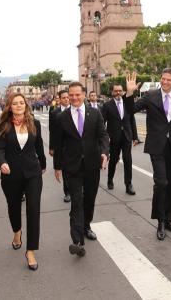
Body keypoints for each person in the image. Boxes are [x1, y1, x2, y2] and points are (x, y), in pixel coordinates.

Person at [124, 70, 171, 240]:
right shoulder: (151, 96)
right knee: (161, 182)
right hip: (156, 146)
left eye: (168, 80)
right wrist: (129, 93)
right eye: (163, 79)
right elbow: (130, 110)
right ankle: (160, 221)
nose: (165, 82)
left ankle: (169, 219)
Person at [53, 82, 108, 257]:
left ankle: (86, 226)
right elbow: (58, 144)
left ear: (84, 95)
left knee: (89, 199)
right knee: (76, 201)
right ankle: (77, 241)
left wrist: (105, 153)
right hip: (72, 166)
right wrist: (57, 166)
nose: (74, 98)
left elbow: (103, 135)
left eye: (77, 94)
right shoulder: (62, 117)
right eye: (71, 95)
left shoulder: (95, 113)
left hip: (92, 164)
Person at [0, 93, 46, 271]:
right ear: (9, 106)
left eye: (21, 103)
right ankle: (17, 232)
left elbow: (39, 146)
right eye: (14, 103)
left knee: (33, 209)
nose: (18, 105)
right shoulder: (3, 126)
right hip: (11, 174)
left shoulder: (34, 123)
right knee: (13, 206)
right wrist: (2, 163)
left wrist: (44, 165)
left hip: (33, 173)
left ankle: (30, 250)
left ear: (26, 105)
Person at [102, 84, 139, 195]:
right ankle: (110, 179)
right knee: (113, 160)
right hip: (114, 137)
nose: (118, 93)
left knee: (128, 160)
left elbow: (132, 120)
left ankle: (128, 185)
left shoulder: (128, 104)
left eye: (120, 91)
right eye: (116, 91)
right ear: (112, 92)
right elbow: (102, 122)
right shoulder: (107, 105)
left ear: (123, 91)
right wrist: (104, 138)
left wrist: (135, 137)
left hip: (127, 136)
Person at [48, 90, 71, 202]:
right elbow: (52, 131)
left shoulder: (75, 110)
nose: (66, 99)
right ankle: (67, 192)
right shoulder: (54, 113)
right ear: (59, 99)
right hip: (61, 146)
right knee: (65, 170)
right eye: (64, 98)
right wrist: (51, 147)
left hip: (75, 146)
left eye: (68, 97)